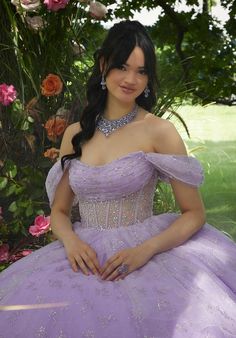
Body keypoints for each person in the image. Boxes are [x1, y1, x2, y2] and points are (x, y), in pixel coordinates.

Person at [0, 20, 235, 338]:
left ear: (149, 78)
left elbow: (194, 214)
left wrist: (146, 249)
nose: (131, 79)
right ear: (103, 65)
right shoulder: (75, 134)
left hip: (145, 252)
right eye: (122, 66)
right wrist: (71, 242)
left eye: (141, 71)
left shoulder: (159, 131)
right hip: (83, 255)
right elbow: (59, 211)